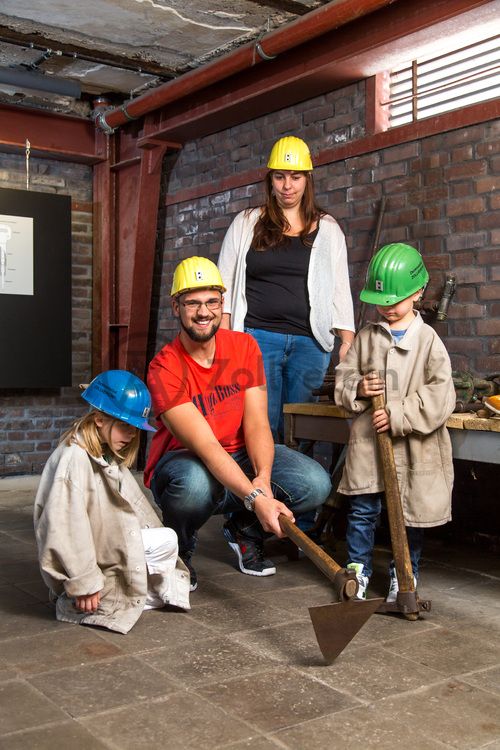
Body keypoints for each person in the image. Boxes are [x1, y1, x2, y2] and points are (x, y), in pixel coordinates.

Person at [144, 256, 332, 591]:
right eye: (193, 303)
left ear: (222, 303)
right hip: (187, 462)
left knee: (315, 482)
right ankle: (179, 549)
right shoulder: (164, 368)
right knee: (193, 486)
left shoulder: (244, 346)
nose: (204, 312)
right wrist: (258, 497)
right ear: (176, 306)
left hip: (240, 456)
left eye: (212, 302)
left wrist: (261, 480)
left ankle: (244, 530)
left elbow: (258, 424)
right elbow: (207, 447)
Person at [334, 243, 455, 601]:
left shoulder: (429, 341)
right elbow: (343, 380)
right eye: (379, 301)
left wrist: (400, 414)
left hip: (414, 448)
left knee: (408, 515)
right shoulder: (367, 338)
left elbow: (441, 394)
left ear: (417, 293)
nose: (385, 308)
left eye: (394, 301)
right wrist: (358, 387)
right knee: (363, 510)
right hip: (370, 447)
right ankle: (358, 569)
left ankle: (405, 572)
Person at [218, 135, 355, 441]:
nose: (287, 186)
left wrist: (346, 340)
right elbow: (223, 286)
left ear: (307, 180)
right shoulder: (246, 223)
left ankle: (293, 489)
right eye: (280, 177)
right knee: (259, 424)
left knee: (301, 428)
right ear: (270, 181)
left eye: (295, 177)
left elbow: (339, 289)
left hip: (310, 344)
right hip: (257, 339)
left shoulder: (328, 228)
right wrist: (226, 340)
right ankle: (261, 486)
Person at [34, 370, 190, 634]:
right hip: (91, 552)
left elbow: (137, 509)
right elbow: (64, 527)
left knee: (166, 540)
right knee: (166, 540)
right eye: (124, 426)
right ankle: (104, 596)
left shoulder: (103, 454)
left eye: (134, 428)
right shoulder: (73, 459)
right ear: (98, 420)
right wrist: (83, 583)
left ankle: (131, 590)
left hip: (102, 542)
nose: (131, 435)